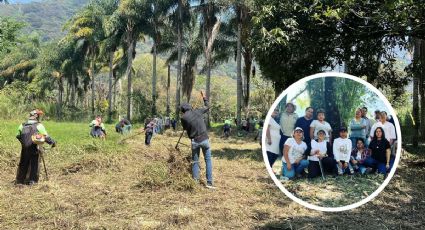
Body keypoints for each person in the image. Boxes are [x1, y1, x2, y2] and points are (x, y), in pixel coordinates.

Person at [180, 94, 214, 189]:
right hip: (204, 139)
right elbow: (208, 106)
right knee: (208, 161)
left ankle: (195, 183)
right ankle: (209, 183)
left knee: (195, 161)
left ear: (182, 110)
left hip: (194, 141)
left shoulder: (183, 118)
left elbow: (186, 129)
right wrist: (204, 97)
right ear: (190, 107)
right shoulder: (197, 111)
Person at [15, 109, 56, 185]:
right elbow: (46, 137)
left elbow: (18, 136)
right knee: (34, 164)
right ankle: (32, 181)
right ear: (36, 116)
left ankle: (20, 181)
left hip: (24, 149)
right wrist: (52, 142)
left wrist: (24, 143)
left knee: (23, 163)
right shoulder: (39, 125)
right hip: (35, 148)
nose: (39, 117)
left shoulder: (22, 125)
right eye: (39, 115)